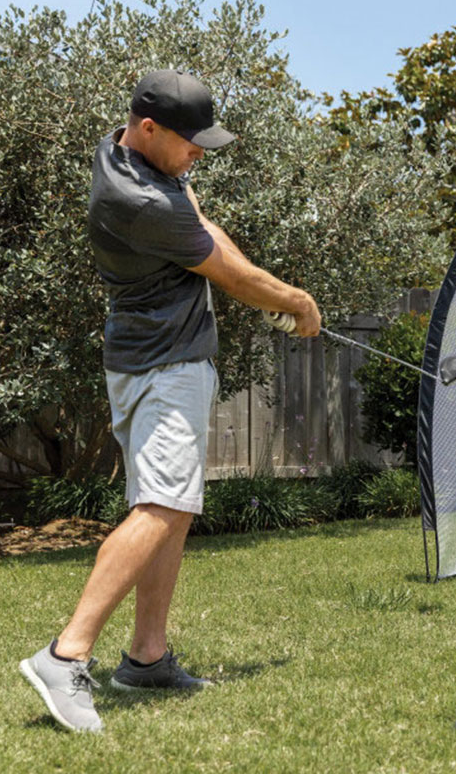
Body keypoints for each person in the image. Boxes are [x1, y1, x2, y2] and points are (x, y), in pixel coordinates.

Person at [19, 69, 321, 733]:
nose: (201, 154)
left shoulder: (123, 150)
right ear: (150, 128)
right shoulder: (141, 202)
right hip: (165, 367)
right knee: (160, 506)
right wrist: (293, 302)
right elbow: (230, 272)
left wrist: (267, 290)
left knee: (172, 508)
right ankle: (66, 653)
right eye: (192, 142)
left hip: (145, 363)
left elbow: (202, 227)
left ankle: (147, 658)